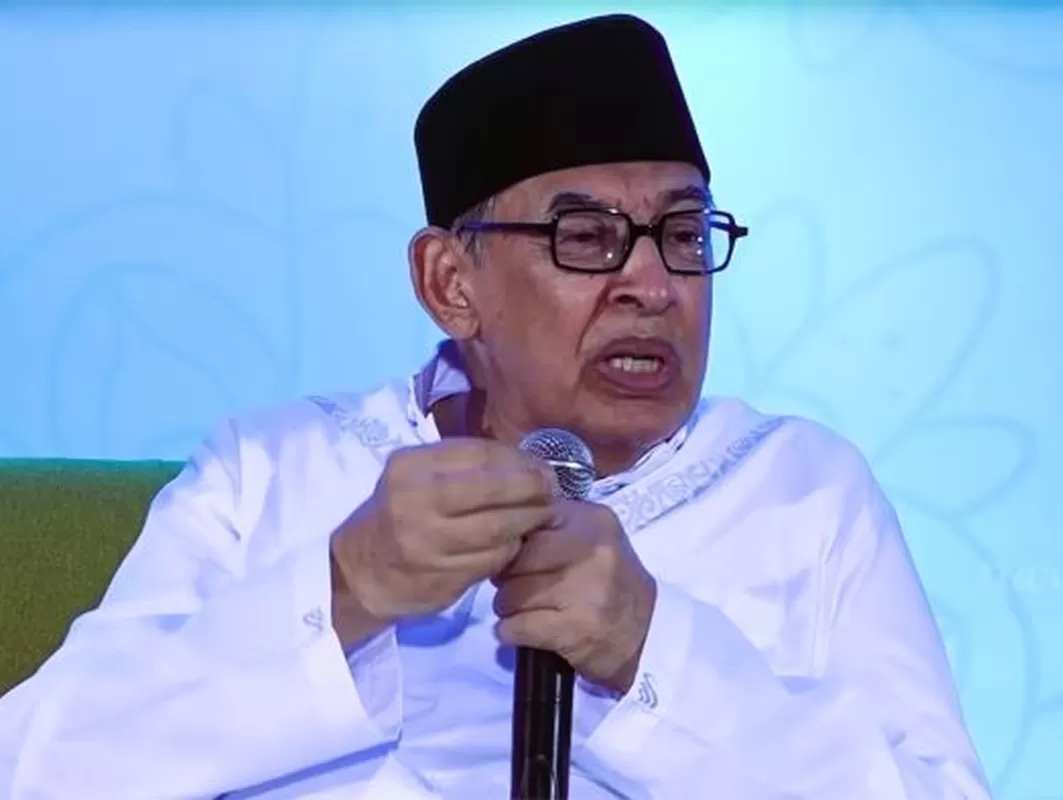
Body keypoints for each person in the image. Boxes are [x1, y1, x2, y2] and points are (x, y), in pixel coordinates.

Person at [0, 13, 991, 800]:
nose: (654, 284)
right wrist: (342, 590)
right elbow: (37, 770)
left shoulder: (802, 489)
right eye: (586, 237)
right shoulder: (273, 471)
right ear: (450, 282)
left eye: (685, 234)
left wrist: (655, 648)